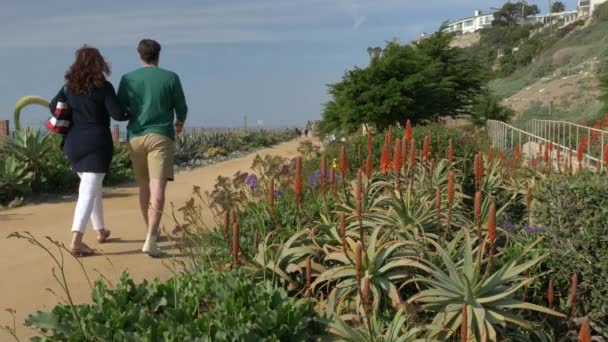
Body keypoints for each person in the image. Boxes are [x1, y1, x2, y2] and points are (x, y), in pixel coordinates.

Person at [49, 46, 129, 256]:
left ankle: (101, 230)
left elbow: (52, 107)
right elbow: (118, 114)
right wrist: (135, 111)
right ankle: (76, 240)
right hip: (97, 143)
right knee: (87, 191)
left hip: (73, 143)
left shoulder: (68, 88)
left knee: (92, 188)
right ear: (99, 64)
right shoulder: (104, 87)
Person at [117, 39, 188, 257]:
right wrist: (179, 123)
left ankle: (151, 230)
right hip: (160, 135)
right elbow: (181, 107)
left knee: (143, 187)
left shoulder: (128, 79)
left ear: (140, 55)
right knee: (158, 189)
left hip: (135, 136)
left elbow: (120, 107)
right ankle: (151, 238)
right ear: (158, 54)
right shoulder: (170, 77)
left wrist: (133, 115)